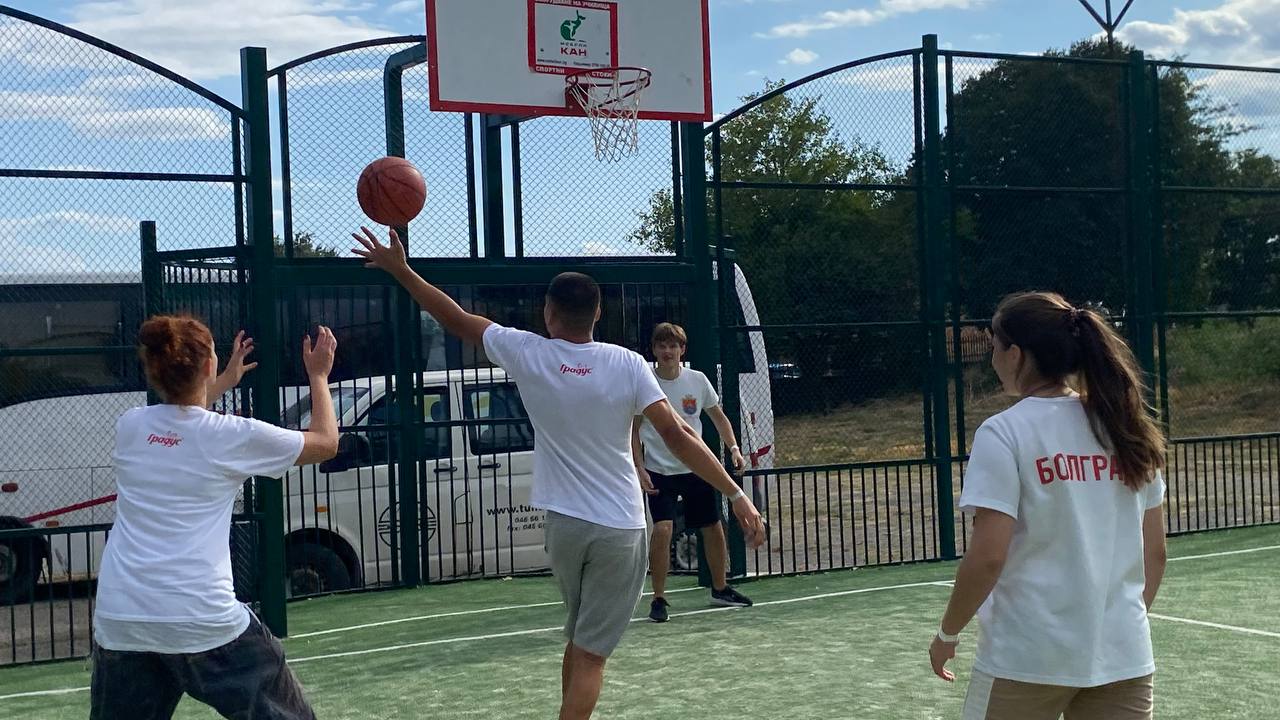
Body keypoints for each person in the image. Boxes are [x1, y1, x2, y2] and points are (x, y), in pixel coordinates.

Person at [351, 227, 766, 720]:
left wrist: (401, 270)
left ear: (548, 313)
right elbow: (678, 436)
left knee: (578, 639)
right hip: (619, 526)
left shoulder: (529, 353)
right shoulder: (628, 363)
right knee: (592, 656)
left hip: (564, 526)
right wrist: (735, 493)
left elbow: (456, 318)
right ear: (598, 313)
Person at [928, 292, 1168, 720]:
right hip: (1124, 657)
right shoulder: (1126, 427)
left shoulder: (1004, 433)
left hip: (1027, 657)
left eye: (994, 346)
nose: (992, 359)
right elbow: (1156, 554)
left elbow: (988, 557)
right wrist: (1113, 630)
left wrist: (947, 633)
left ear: (1015, 354)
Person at [91, 317, 340, 720]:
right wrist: (319, 376)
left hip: (121, 617)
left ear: (153, 370)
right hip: (201, 617)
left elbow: (180, 418)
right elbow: (326, 442)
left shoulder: (131, 425)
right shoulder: (231, 435)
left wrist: (221, 381)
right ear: (208, 365)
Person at [631, 322, 753, 622]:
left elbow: (719, 418)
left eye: (673, 346)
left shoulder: (697, 380)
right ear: (654, 350)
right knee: (663, 529)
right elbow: (633, 430)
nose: (667, 351)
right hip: (659, 471)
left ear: (682, 350)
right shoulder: (645, 383)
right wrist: (639, 467)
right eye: (662, 346)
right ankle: (658, 598)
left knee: (712, 526)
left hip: (695, 469)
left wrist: (734, 448)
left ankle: (720, 588)